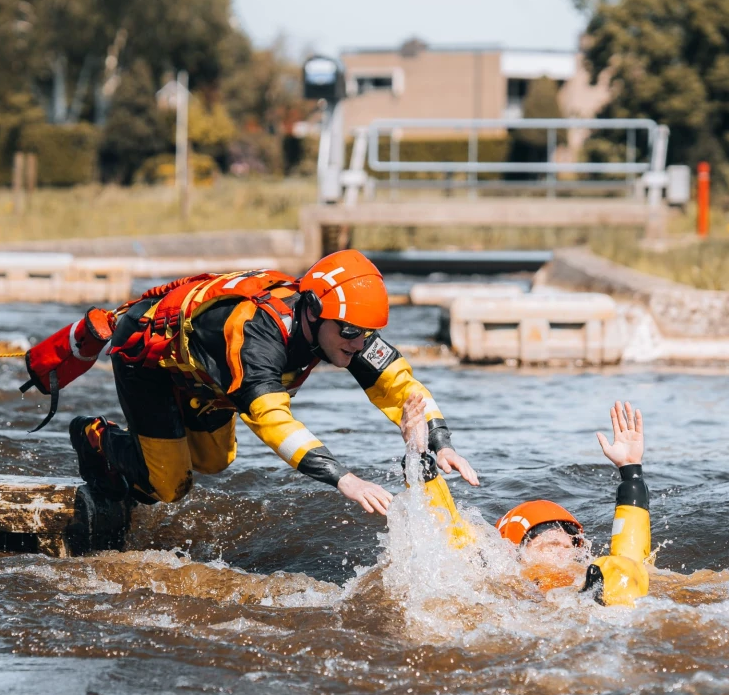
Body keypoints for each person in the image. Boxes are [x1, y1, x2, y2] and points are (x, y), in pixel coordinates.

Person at [67, 250, 480, 514]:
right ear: (315, 311)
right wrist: (345, 479)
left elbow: (398, 384)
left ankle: (145, 454)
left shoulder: (346, 330)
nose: (360, 344)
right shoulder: (256, 338)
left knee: (214, 461)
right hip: (150, 361)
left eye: (367, 334)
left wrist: (441, 441)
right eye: (352, 332)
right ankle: (97, 437)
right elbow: (272, 421)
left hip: (205, 378)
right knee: (170, 485)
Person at [403, 395, 653, 606]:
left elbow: (630, 557)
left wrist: (631, 472)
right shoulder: (501, 581)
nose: (559, 548)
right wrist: (419, 459)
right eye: (545, 543)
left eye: (567, 543)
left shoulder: (596, 575)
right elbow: (447, 526)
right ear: (513, 552)